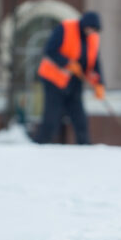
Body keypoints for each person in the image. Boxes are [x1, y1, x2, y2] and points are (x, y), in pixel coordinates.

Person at [34, 11, 105, 145]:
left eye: (95, 29)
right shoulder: (66, 28)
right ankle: (41, 145)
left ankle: (85, 147)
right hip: (53, 79)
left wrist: (99, 84)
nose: (92, 31)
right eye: (90, 28)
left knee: (80, 118)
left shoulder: (93, 38)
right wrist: (67, 63)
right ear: (84, 25)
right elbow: (49, 50)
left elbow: (95, 62)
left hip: (74, 82)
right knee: (52, 117)